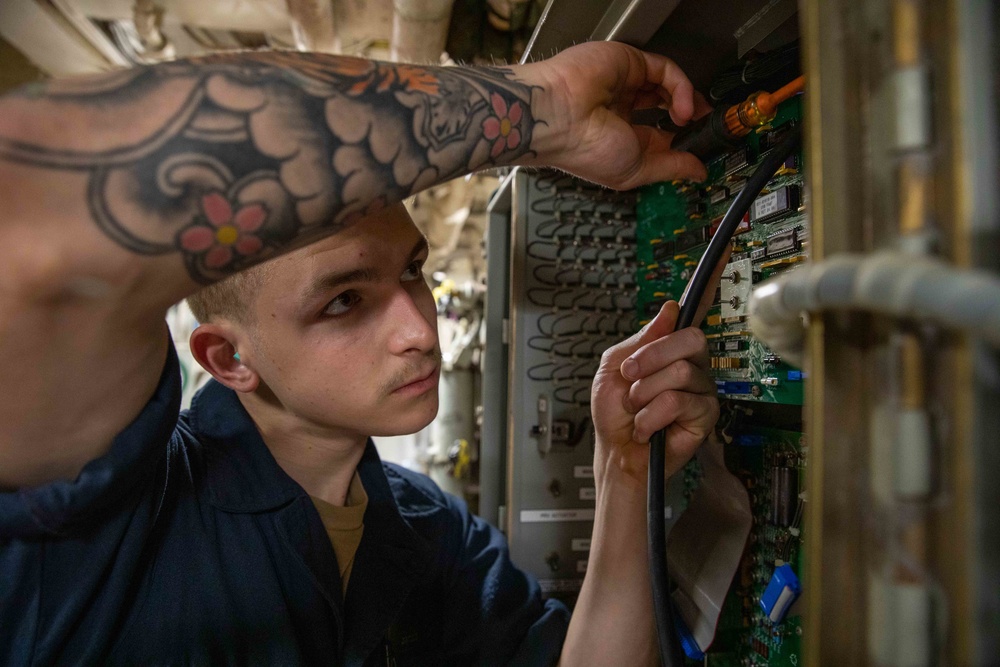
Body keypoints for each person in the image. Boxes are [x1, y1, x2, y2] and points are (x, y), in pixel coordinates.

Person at [0, 41, 720, 665]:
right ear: (227, 359)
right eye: (343, 301)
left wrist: (625, 473)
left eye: (411, 270)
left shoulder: (426, 531)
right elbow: (31, 216)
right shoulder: (112, 516)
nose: (416, 327)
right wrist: (544, 107)